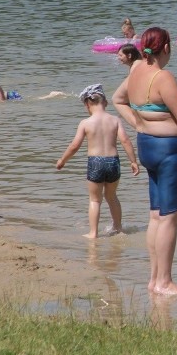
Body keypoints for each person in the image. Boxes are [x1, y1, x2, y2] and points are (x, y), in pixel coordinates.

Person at [113, 27, 177, 295]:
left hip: (148, 148)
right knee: (170, 217)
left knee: (156, 216)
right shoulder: (163, 77)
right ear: (166, 49)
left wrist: (140, 122)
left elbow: (118, 99)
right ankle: (165, 282)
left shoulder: (136, 71)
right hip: (170, 152)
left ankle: (154, 280)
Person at [56, 84, 140, 239]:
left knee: (95, 200)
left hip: (95, 162)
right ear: (106, 103)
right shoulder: (115, 120)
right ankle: (118, 227)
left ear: (87, 104)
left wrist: (63, 160)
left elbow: (75, 145)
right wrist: (133, 161)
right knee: (112, 196)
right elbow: (126, 141)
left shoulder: (86, 123)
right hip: (113, 162)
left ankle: (93, 233)